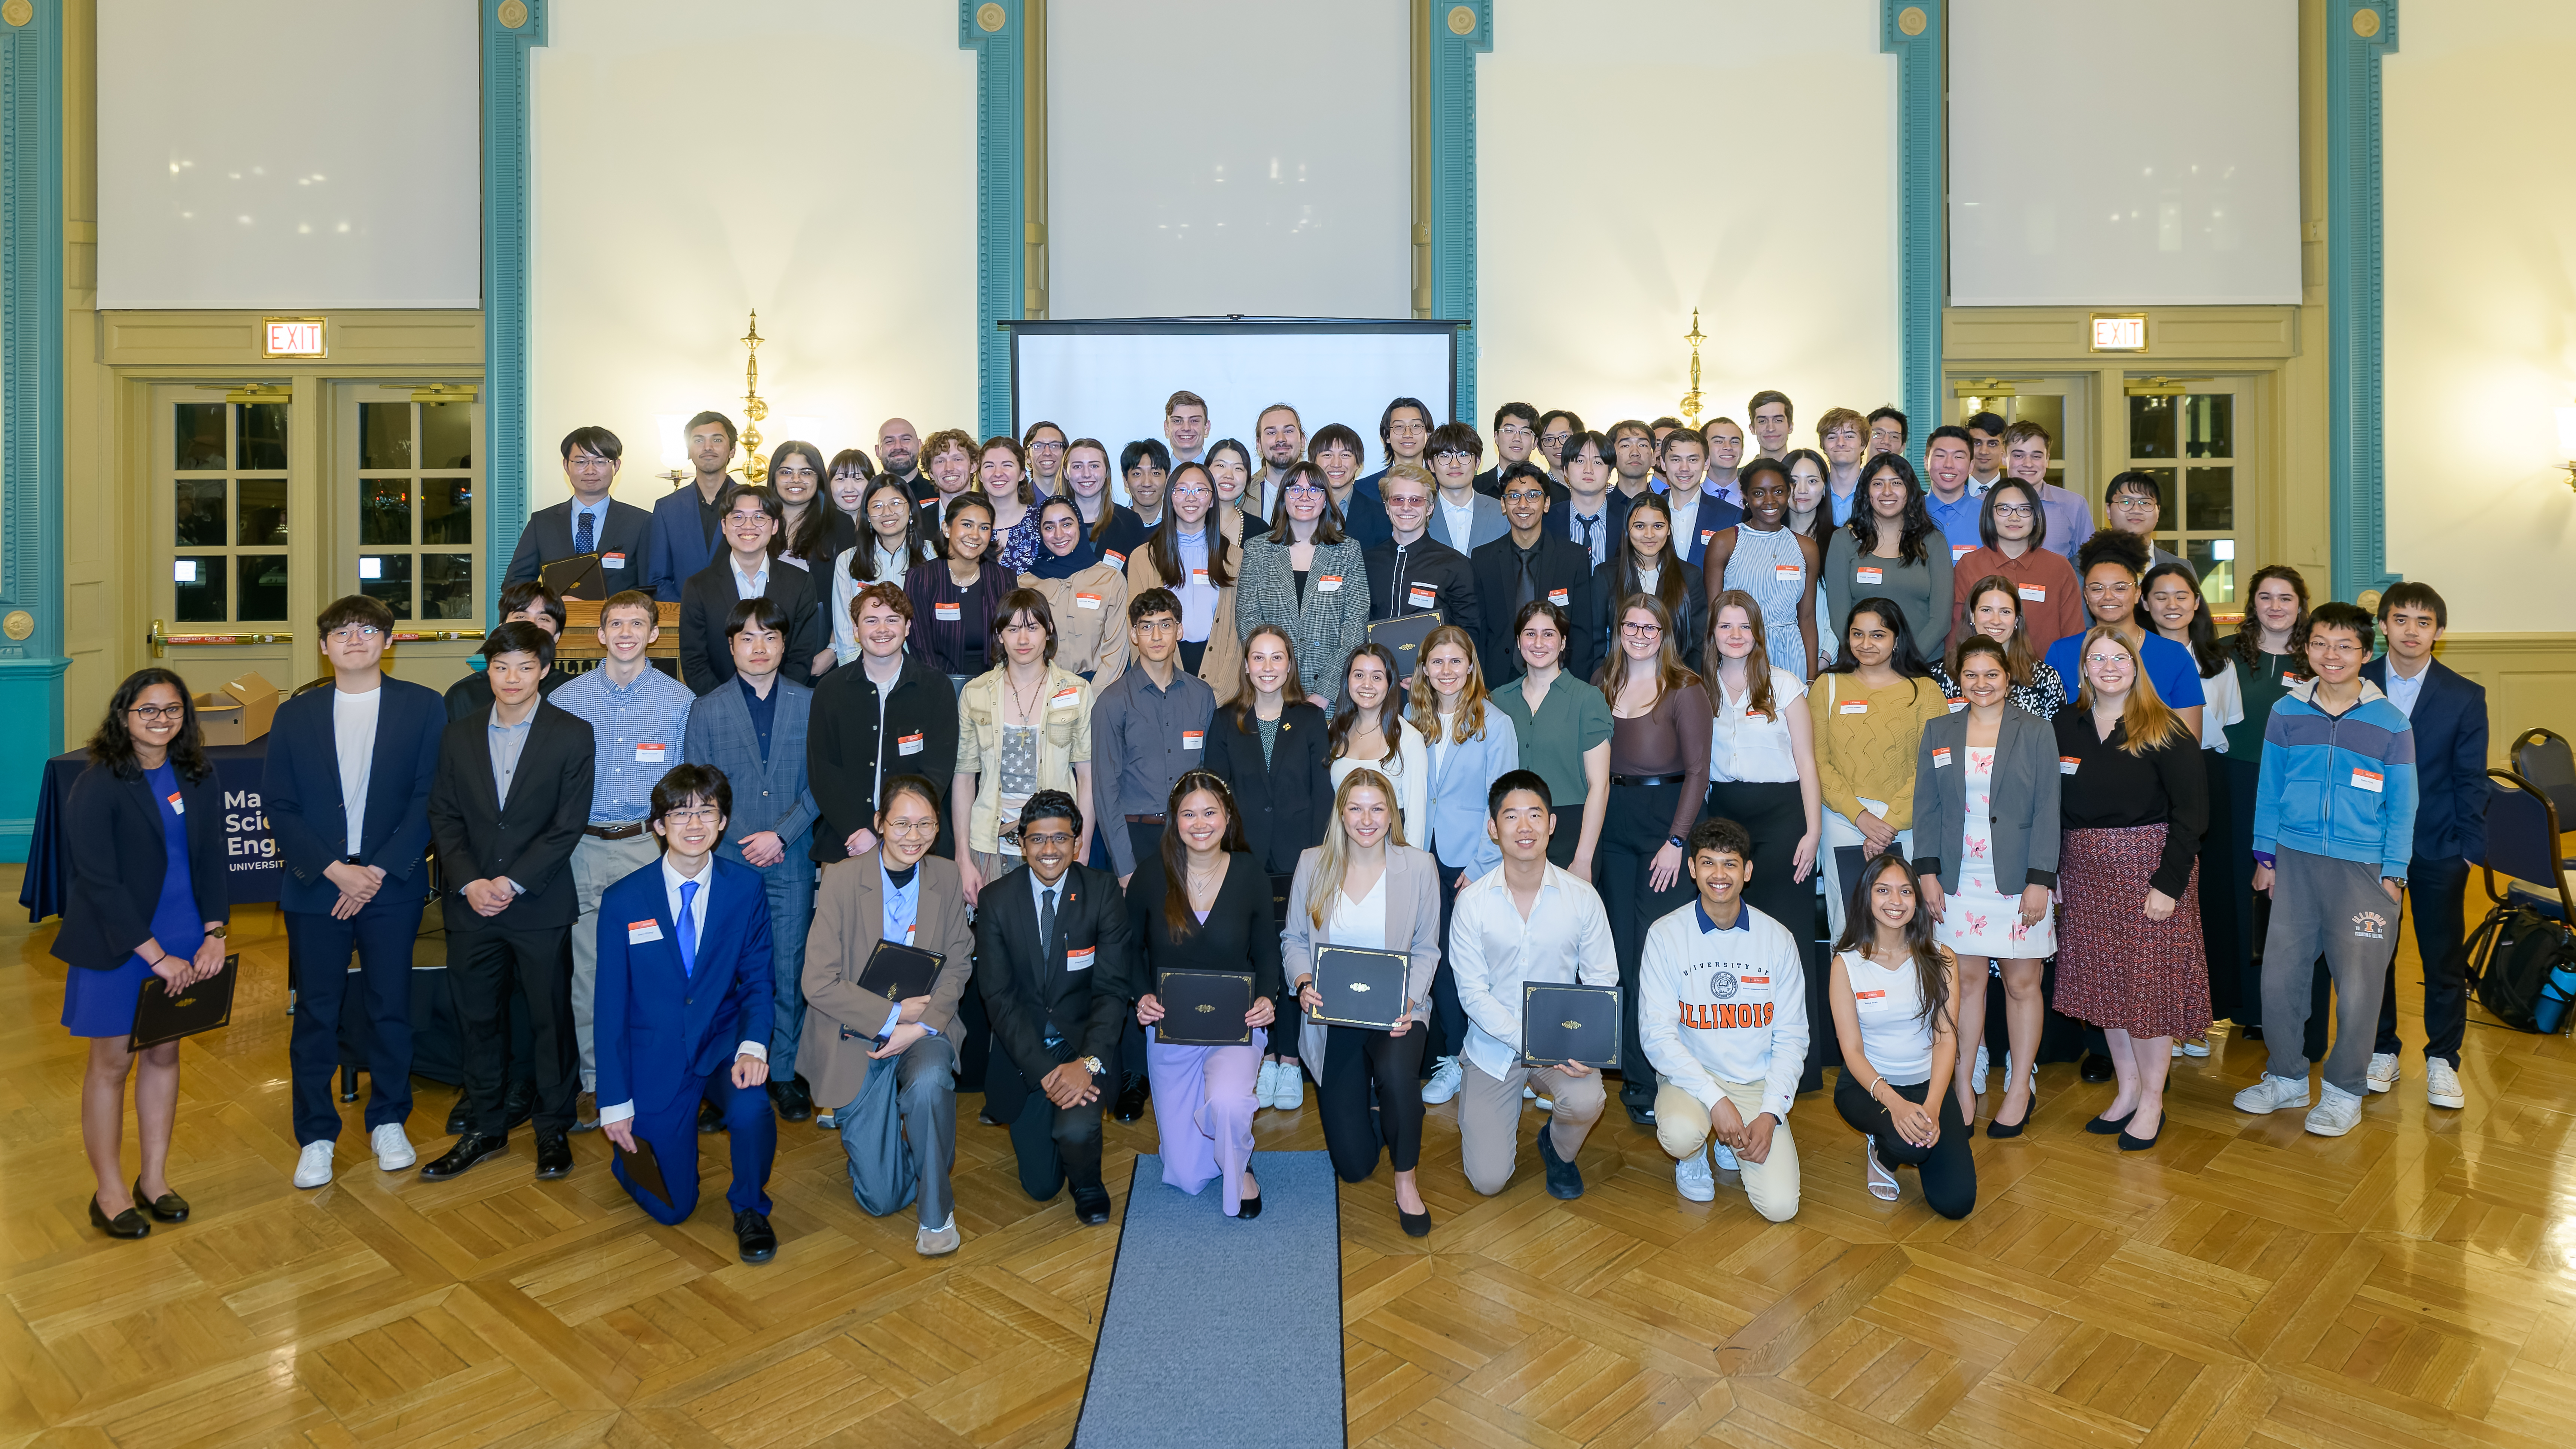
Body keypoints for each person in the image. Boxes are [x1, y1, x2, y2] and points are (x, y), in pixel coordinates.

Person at [265, 596, 445, 1188]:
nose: (354, 639)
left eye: (368, 629)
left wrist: (378, 871)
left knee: (390, 1004)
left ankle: (389, 1117)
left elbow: (429, 799)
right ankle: (316, 1133)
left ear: (387, 642)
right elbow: (281, 806)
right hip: (318, 886)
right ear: (324, 647)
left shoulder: (423, 708)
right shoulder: (297, 715)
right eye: (341, 632)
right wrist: (336, 869)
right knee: (316, 1011)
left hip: (390, 884)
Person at [55, 669, 231, 1238]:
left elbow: (212, 860)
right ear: (124, 716)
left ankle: (152, 1179)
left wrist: (214, 933)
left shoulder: (197, 775)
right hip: (119, 944)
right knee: (111, 1065)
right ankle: (108, 1190)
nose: (161, 720)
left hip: (184, 942)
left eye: (172, 709)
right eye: (148, 710)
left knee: (163, 1057)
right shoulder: (99, 781)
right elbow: (98, 882)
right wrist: (155, 955)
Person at [2236, 603, 2418, 1138]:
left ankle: (2343, 1090)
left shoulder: (2390, 722)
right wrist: (2263, 856)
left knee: (2360, 988)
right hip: (2292, 863)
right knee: (2279, 979)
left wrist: (2394, 871)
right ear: (2307, 649)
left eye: (2344, 646)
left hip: (2363, 869)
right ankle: (2286, 1075)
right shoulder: (2285, 712)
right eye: (2319, 643)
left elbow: (2403, 806)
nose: (2331, 655)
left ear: (2366, 653)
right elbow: (2268, 787)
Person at [422, 621, 595, 1181]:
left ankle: (552, 1128)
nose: (512, 677)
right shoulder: (459, 734)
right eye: (501, 666)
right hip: (470, 903)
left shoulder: (572, 733)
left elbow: (567, 825)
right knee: (478, 1019)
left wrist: (513, 882)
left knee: (549, 1020)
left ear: (545, 669)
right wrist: (471, 881)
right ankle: (487, 1125)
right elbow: (444, 816)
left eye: (524, 666)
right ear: (487, 670)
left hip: (539, 901)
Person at [591, 765, 779, 1263]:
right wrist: (613, 1101)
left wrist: (752, 1045)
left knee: (752, 1104)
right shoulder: (623, 900)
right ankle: (632, 1153)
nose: (693, 823)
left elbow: (759, 979)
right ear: (658, 825)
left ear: (722, 822)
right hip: (655, 1056)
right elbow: (608, 1008)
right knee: (673, 1207)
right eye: (680, 813)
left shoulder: (745, 889)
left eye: (706, 811)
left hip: (721, 1044)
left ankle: (750, 1207)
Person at [800, 773, 978, 1255]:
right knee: (880, 1198)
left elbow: (960, 960)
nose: (913, 836)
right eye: (901, 823)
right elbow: (816, 982)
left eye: (926, 824)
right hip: (855, 1035)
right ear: (879, 823)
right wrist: (892, 1017)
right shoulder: (840, 878)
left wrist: (917, 1027)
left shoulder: (944, 875)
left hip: (925, 1032)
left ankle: (938, 1213)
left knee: (929, 1082)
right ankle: (904, 1149)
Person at [546, 590, 698, 1128]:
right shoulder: (566, 699)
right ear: (601, 634)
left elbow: (687, 787)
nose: (627, 631)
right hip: (584, 847)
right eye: (616, 623)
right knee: (588, 971)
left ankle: (659, 1074)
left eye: (638, 622)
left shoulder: (680, 700)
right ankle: (595, 1081)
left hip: (648, 846)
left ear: (654, 633)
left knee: (656, 968)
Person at [2055, 625, 2209, 1150]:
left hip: (2149, 872)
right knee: (2107, 989)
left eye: (2118, 656)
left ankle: (2152, 1100)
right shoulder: (2063, 725)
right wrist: (2052, 871)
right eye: (2095, 657)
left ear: (2134, 664)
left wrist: (2168, 883)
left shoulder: (2162, 726)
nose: (2108, 665)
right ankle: (2126, 1090)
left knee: (2148, 992)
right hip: (2083, 874)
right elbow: (2050, 806)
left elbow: (2192, 814)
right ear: (2083, 669)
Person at [1912, 635, 2059, 1136]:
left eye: (1990, 674)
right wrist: (1926, 872)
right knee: (1965, 985)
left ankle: (2019, 1087)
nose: (1981, 684)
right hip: (1956, 881)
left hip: (2017, 881)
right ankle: (1961, 1086)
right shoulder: (1938, 730)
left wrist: (2041, 880)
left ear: (2007, 677)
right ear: (1958, 679)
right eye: (1970, 675)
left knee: (2021, 985)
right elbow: (1926, 807)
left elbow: (2047, 809)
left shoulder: (2036, 731)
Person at [1117, 771, 1281, 1218]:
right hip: (1173, 1031)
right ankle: (1219, 1137)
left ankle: (1239, 1163)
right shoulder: (1152, 875)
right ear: (1175, 821)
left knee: (1228, 1104)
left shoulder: (1249, 873)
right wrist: (1141, 996)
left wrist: (1268, 997)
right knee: (1186, 1176)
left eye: (1210, 812)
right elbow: (1129, 950)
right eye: (1189, 814)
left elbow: (1267, 951)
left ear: (1227, 818)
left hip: (1235, 1027)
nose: (1200, 823)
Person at [682, 597, 822, 1121]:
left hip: (792, 857)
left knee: (787, 968)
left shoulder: (810, 703)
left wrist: (781, 835)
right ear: (731, 645)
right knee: (723, 972)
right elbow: (697, 789)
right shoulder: (707, 707)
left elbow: (821, 783)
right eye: (747, 637)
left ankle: (782, 1072)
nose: (758, 647)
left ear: (784, 645)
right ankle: (722, 1076)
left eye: (769, 637)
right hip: (727, 861)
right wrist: (745, 839)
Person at [1284, 769, 1439, 1233]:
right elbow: (1293, 937)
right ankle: (1379, 1107)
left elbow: (1428, 949)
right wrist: (1303, 980)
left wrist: (1410, 1002)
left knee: (1397, 1074)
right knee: (1353, 1167)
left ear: (1392, 813)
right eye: (1355, 808)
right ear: (1341, 813)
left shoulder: (1419, 867)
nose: (1366, 819)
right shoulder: (1313, 863)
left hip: (1398, 1011)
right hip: (1334, 1016)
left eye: (1377, 808)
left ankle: (1406, 1179)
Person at [1450, 772, 1619, 1197]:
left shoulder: (1583, 898)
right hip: (1493, 1048)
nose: (1524, 828)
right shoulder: (1471, 904)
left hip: (1562, 1047)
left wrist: (1585, 1045)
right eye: (1511, 817)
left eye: (1534, 815)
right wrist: (1530, 1038)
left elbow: (1603, 980)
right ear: (1493, 828)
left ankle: (1558, 1151)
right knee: (1488, 1181)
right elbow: (1472, 995)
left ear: (1552, 824)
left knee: (1585, 1101)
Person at [975, 788, 1132, 1221]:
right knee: (1041, 1187)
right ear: (1022, 843)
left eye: (1061, 838)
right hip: (1025, 1052)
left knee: (1077, 1130)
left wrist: (1090, 1063)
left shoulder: (1102, 893)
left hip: (1083, 1044)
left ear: (1078, 842)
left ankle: (1088, 1183)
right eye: (1038, 839)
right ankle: (1053, 1127)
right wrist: (1044, 1070)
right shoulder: (995, 902)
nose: (1050, 850)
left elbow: (1113, 991)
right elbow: (999, 999)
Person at [1639, 817, 1807, 1219]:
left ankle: (1731, 1141)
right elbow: (1657, 1035)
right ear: (1692, 868)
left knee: (1782, 1208)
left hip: (1755, 1084)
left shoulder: (1778, 940)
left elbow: (1792, 1038)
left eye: (1730, 864)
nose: (1719, 874)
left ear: (1747, 871)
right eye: (1709, 863)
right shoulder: (1665, 935)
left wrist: (1771, 1112)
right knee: (1680, 1134)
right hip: (1694, 1078)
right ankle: (1694, 1154)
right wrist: (1716, 1100)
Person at [1090, 587, 1217, 1119]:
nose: (1157, 635)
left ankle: (1194, 1050)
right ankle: (1133, 1076)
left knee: (1185, 947)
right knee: (1133, 957)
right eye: (1146, 626)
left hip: (1192, 840)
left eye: (1166, 624)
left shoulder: (1203, 696)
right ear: (1134, 634)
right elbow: (1104, 790)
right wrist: (1122, 867)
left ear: (1180, 629)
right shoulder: (1113, 701)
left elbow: (1210, 781)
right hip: (1137, 840)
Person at [1594, 593, 1713, 1124]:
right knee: (1616, 950)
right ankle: (1628, 1067)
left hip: (1662, 827)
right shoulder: (1603, 679)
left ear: (1665, 632)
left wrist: (1676, 840)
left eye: (1650, 626)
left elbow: (1698, 771)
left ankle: (1656, 1076)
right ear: (1618, 629)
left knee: (1655, 954)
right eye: (1630, 625)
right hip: (1611, 822)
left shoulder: (1685, 687)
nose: (1639, 634)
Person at [1204, 625, 1333, 1110]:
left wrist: (1318, 858)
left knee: (1296, 959)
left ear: (1289, 664)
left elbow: (1324, 796)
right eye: (1257, 658)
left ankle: (1290, 1059)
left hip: (1300, 862)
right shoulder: (1225, 720)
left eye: (1276, 657)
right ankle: (1262, 1056)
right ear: (1246, 665)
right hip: (1243, 862)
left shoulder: (1308, 719)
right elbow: (1215, 794)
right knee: (1259, 958)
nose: (1267, 667)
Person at [1702, 593, 1825, 1090]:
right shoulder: (1696, 688)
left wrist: (1813, 830)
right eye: (1724, 625)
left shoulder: (1785, 684)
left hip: (1782, 821)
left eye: (1743, 626)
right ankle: (1738, 1058)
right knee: (1734, 942)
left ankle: (1798, 1066)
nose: (1734, 634)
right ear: (1711, 632)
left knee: (1788, 940)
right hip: (1723, 820)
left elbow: (1807, 761)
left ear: (1758, 632)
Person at [1407, 626, 1520, 1100]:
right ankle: (1433, 1052)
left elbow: (1503, 802)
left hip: (1468, 862)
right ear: (1425, 669)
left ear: (1471, 666)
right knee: (1423, 956)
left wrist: (1479, 864)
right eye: (1438, 662)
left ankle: (1459, 1059)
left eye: (1456, 662)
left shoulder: (1496, 723)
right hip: (1418, 854)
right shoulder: (1412, 718)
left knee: (1461, 964)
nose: (1447, 671)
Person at [1827, 855, 1974, 1217]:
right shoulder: (1846, 964)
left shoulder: (1943, 958)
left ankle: (1907, 1136)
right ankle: (1882, 1152)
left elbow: (1945, 1040)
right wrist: (1896, 1105)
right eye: (1884, 890)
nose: (1896, 901)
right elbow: (1852, 1051)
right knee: (1909, 1144)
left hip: (1928, 1084)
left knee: (1956, 1203)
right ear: (1867, 897)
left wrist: (1934, 1107)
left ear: (1917, 899)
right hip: (1869, 1087)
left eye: (1906, 891)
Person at [2144, 560, 2246, 1043]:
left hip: (2204, 776)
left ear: (2196, 601)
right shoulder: (2131, 654)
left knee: (2205, 897)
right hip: (2145, 778)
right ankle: (2162, 1013)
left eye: (2181, 595)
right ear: (2144, 603)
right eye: (2160, 596)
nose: (2171, 605)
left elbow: (2221, 726)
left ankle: (2200, 1017)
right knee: (2161, 892)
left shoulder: (2218, 661)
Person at [1809, 598, 1951, 943]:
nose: (1866, 644)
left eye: (1878, 635)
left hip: (1906, 824)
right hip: (1843, 821)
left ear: (1897, 639)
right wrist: (1860, 817)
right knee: (1849, 926)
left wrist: (1889, 823)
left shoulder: (1926, 690)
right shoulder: (1826, 687)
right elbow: (1817, 763)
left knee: (1906, 930)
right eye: (1858, 634)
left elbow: (1933, 766)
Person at [952, 589, 1096, 904]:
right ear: (999, 636)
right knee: (995, 946)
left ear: (1049, 632)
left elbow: (1087, 777)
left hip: (1056, 841)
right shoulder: (975, 693)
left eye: (1032, 627)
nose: (1023, 638)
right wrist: (963, 858)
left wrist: (1080, 847)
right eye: (1013, 628)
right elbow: (964, 778)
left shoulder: (1078, 691)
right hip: (989, 844)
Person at [808, 582, 962, 867]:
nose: (883, 629)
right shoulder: (829, 690)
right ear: (855, 630)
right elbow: (824, 774)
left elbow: (937, 772)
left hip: (917, 842)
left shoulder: (936, 687)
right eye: (871, 620)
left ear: (908, 627)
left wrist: (888, 831)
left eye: (893, 620)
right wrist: (860, 831)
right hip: (847, 843)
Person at [2220, 565, 2311, 1039]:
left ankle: (2274, 1004)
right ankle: (2239, 1002)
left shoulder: (2318, 658)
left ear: (2301, 605)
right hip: (2233, 782)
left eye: (2286, 598)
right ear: (2252, 603)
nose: (2276, 607)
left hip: (2294, 786)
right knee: (2237, 892)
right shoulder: (2226, 655)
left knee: (2281, 897)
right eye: (2266, 597)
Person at [2042, 530, 2207, 739]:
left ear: (2137, 594)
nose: (2108, 597)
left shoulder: (2173, 655)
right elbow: (2049, 732)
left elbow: (2190, 742)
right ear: (2086, 596)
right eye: (2097, 588)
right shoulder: (2062, 652)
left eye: (2120, 588)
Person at [1488, 600, 1611, 873]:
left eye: (1549, 634)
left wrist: (1583, 858)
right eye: (1530, 634)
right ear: (1519, 643)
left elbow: (1600, 786)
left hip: (1572, 830)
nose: (1539, 642)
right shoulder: (1498, 700)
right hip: (1514, 829)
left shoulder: (1587, 699)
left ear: (1563, 642)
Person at [1233, 459, 1367, 708]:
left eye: (1314, 489)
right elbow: (1248, 619)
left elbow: (1355, 624)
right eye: (1295, 489)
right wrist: (1273, 680)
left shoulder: (1348, 551)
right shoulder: (1257, 549)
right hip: (1271, 691)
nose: (1304, 496)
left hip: (1332, 699)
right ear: (1283, 497)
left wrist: (1324, 694)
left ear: (1326, 499)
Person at [679, 483, 826, 692]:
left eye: (759, 517)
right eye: (738, 517)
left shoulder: (800, 583)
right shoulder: (698, 586)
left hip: (784, 703)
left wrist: (777, 701)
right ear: (724, 525)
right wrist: (724, 704)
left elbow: (801, 656)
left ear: (775, 526)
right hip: (719, 706)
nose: (748, 526)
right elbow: (694, 660)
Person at [1127, 460, 1245, 701]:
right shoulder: (1143, 557)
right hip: (1162, 676)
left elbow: (1239, 631)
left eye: (1200, 490)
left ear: (1212, 500)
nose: (1191, 498)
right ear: (1170, 497)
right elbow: (1136, 628)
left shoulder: (1236, 558)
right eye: (1181, 490)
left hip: (1221, 674)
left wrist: (1224, 690)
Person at [1470, 464, 1599, 685]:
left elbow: (1582, 632)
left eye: (1533, 496)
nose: (1523, 504)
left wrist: (1575, 688)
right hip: (1498, 682)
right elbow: (1479, 632)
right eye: (1514, 496)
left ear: (1546, 503)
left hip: (1559, 678)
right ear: (1503, 504)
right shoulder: (1483, 559)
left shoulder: (1572, 557)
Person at [1824, 453, 1954, 660]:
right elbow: (1839, 619)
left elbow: (1941, 620)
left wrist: (1906, 663)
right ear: (1866, 491)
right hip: (1863, 665)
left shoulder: (1933, 541)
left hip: (1923, 664)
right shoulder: (1843, 541)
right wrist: (1870, 660)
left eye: (1896, 483)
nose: (1887, 492)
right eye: (1878, 484)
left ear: (1909, 490)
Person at [1702, 457, 1821, 681]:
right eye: (1759, 493)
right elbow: (1714, 616)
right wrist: (1712, 671)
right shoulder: (1725, 542)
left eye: (1778, 492)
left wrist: (1812, 677)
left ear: (1789, 492)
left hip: (1791, 655)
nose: (1770, 501)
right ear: (1745, 496)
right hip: (1739, 652)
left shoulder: (1806, 548)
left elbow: (1806, 618)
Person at [1946, 479, 2084, 658]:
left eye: (2024, 509)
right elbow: (1958, 632)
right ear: (1990, 514)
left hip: (2045, 680)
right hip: (1982, 678)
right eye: (2004, 509)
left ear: (2036, 517)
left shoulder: (2059, 568)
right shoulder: (1969, 565)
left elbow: (2073, 637)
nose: (2014, 517)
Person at [506, 425, 652, 592]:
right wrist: (550, 605)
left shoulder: (641, 523)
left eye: (600, 461)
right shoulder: (542, 522)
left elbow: (650, 586)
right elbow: (515, 583)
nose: (590, 470)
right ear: (567, 466)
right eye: (581, 462)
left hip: (617, 618)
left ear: (616, 466)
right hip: (559, 617)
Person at [1367, 466, 1483, 670]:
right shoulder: (1366, 562)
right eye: (1398, 499)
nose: (1406, 507)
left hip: (1433, 681)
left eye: (1416, 500)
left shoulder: (1455, 564)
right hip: (1377, 682)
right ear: (1387, 506)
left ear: (1430, 508)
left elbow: (1468, 632)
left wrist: (1434, 671)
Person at [1580, 490, 1705, 676]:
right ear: (1627, 529)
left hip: (1675, 683)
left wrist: (1691, 686)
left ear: (1669, 529)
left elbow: (1698, 644)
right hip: (1620, 681)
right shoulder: (1605, 575)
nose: (1649, 535)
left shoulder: (1690, 576)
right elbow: (1595, 642)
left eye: (1658, 526)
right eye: (1640, 526)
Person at [906, 494, 1014, 692]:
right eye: (967, 525)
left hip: (996, 688)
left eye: (984, 528)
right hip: (936, 687)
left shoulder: (1003, 579)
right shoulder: (922, 578)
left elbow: (1011, 641)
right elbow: (919, 645)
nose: (975, 535)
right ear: (947, 529)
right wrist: (942, 691)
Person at [1018, 495, 1130, 684]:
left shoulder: (1110, 580)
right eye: (1049, 527)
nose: (1059, 534)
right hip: (1040, 692)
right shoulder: (1024, 585)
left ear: (1079, 526)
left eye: (1067, 524)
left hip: (1098, 691)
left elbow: (1115, 654)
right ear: (1040, 532)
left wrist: (1092, 701)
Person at [829, 475, 937, 663]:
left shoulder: (934, 555)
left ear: (911, 510)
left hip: (923, 666)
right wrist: (856, 672)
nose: (887, 512)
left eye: (896, 503)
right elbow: (846, 628)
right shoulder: (847, 561)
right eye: (877, 506)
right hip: (865, 666)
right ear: (868, 516)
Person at [1327, 644, 1427, 843]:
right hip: (1341, 848)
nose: (1367, 685)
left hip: (1391, 850)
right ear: (1347, 681)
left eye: (1377, 677)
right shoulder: (1334, 731)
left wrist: (1411, 869)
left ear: (1390, 684)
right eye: (1359, 675)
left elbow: (1416, 821)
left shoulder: (1409, 740)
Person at [1936, 575, 2068, 719]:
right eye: (1987, 610)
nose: (1996, 621)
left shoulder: (2046, 679)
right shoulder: (1942, 676)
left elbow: (2057, 738)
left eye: (2005, 612)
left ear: (2016, 620)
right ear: (1972, 616)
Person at [644, 411, 742, 601]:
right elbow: (658, 579)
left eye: (717, 440)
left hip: (741, 623)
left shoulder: (754, 505)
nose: (708, 447)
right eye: (698, 441)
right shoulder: (667, 509)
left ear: (732, 450)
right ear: (688, 451)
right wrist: (687, 614)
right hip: (683, 620)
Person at [444, 581, 568, 720]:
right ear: (501, 628)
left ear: (557, 636)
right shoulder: (464, 694)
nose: (531, 625)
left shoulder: (573, 690)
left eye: (543, 619)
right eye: (521, 617)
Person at [772, 439, 860, 594]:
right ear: (774, 477)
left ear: (818, 478)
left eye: (806, 473)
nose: (796, 479)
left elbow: (851, 590)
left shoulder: (840, 524)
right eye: (786, 472)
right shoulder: (756, 521)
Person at [2000, 421, 2094, 566]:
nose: (2028, 464)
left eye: (2036, 456)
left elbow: (2088, 563)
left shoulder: (2074, 505)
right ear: (2004, 458)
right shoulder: (1981, 505)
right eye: (2019, 456)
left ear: (2047, 459)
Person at [1655, 426, 1743, 567]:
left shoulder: (1732, 516)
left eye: (1693, 460)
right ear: (1664, 464)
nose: (1684, 469)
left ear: (1706, 463)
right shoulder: (1649, 512)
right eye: (1676, 460)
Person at [1548, 432, 1631, 570]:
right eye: (1580, 461)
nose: (1589, 470)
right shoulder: (1547, 521)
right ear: (1566, 470)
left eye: (1598, 462)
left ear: (1610, 473)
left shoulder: (1628, 520)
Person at [1426, 421, 1507, 553]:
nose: (1454, 464)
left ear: (1477, 463)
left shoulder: (1502, 513)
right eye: (1445, 456)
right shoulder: (1419, 513)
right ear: (1431, 464)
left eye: (1463, 455)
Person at [1068, 437, 1147, 570]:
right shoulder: (1050, 524)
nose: (1086, 474)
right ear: (1066, 473)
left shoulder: (1130, 523)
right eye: (1077, 466)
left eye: (1094, 466)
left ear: (1107, 472)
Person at [1312, 422, 1391, 548]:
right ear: (1313, 462)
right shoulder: (1299, 510)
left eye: (1345, 455)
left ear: (1359, 464)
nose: (1336, 464)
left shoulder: (1380, 516)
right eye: (1327, 455)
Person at [1919, 424, 1986, 564]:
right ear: (1926, 462)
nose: (1949, 464)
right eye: (1940, 455)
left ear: (1971, 466)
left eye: (1959, 457)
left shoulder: (1989, 515)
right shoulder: (1909, 513)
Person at [978, 434, 1045, 573]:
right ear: (980, 475)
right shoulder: (968, 525)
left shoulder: (1042, 522)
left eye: (1007, 465)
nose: (998, 473)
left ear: (1022, 474)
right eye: (989, 466)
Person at [1475, 401, 1560, 502]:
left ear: (1535, 443)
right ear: (1496, 437)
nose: (1517, 439)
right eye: (1509, 430)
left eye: (1525, 432)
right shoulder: (1474, 488)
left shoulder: (1556, 493)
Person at [2104, 470, 2185, 571]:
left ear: (2158, 512)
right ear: (2108, 510)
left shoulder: (2182, 568)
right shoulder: (2082, 568)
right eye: (2126, 502)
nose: (2136, 510)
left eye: (2145, 503)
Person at [1356, 396, 1435, 499]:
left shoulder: (1443, 485)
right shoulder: (1364, 489)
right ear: (1387, 436)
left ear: (1428, 434)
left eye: (1415, 426)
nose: (1408, 434)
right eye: (1399, 427)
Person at [917, 428, 980, 538]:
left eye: (957, 459)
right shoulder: (918, 522)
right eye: (940, 461)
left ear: (974, 466)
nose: (949, 468)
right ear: (931, 472)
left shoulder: (992, 514)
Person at [1815, 408, 1869, 524]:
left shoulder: (1876, 491)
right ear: (1823, 447)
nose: (1841, 443)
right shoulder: (1813, 491)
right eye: (1832, 437)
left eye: (1849, 436)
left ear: (1863, 444)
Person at [1206, 438, 1264, 545]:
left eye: (1238, 468)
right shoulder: (1188, 522)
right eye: (1221, 466)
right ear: (1206, 471)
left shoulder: (1261, 531)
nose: (1229, 475)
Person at [1119, 438, 1172, 539]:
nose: (1147, 483)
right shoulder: (1112, 525)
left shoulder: (1181, 524)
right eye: (1137, 474)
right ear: (1125, 480)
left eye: (1156, 473)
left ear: (1168, 478)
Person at [877, 417, 928, 500]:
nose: (898, 447)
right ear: (878, 451)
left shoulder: (940, 494)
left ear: (919, 446)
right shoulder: (865, 496)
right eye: (889, 441)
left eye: (906, 439)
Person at [1702, 417, 1747, 508]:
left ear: (1742, 451)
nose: (1728, 447)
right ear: (1703, 449)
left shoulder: (1754, 498)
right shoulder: (1689, 497)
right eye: (1719, 442)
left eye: (1735, 442)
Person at [1021, 420, 1068, 502]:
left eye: (1054, 446)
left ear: (1065, 454)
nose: (1047, 453)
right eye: (1038, 446)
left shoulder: (1077, 500)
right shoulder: (1018, 501)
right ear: (1027, 456)